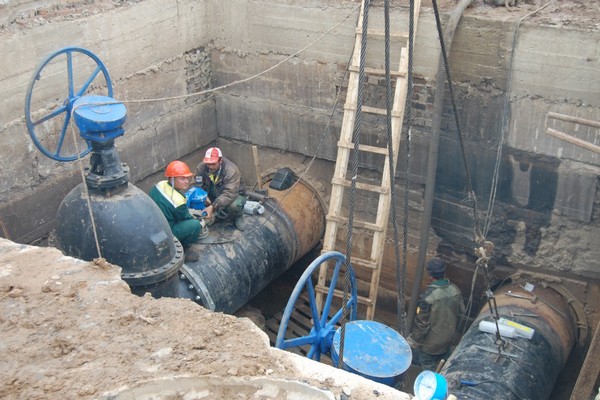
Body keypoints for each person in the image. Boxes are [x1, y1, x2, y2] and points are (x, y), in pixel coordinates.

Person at [408, 258, 465, 371]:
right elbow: (461, 312)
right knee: (445, 365)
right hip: (448, 340)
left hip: (430, 345)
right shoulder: (455, 290)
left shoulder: (428, 297)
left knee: (428, 366)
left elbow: (421, 324)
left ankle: (431, 384)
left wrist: (413, 340)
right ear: (444, 272)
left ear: (430, 275)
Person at [149, 160, 207, 262]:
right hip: (166, 232)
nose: (187, 181)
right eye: (182, 178)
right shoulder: (178, 201)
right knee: (195, 225)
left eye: (187, 178)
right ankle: (183, 250)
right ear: (171, 179)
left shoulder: (159, 185)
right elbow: (186, 218)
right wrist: (200, 223)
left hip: (152, 227)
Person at [195, 147, 248, 231]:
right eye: (208, 164)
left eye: (213, 164)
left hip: (234, 195)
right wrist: (203, 196)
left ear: (220, 161)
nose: (210, 167)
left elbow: (230, 193)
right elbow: (197, 184)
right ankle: (216, 214)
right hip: (213, 192)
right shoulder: (201, 167)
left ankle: (238, 215)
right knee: (196, 200)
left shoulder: (231, 170)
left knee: (234, 205)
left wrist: (213, 206)